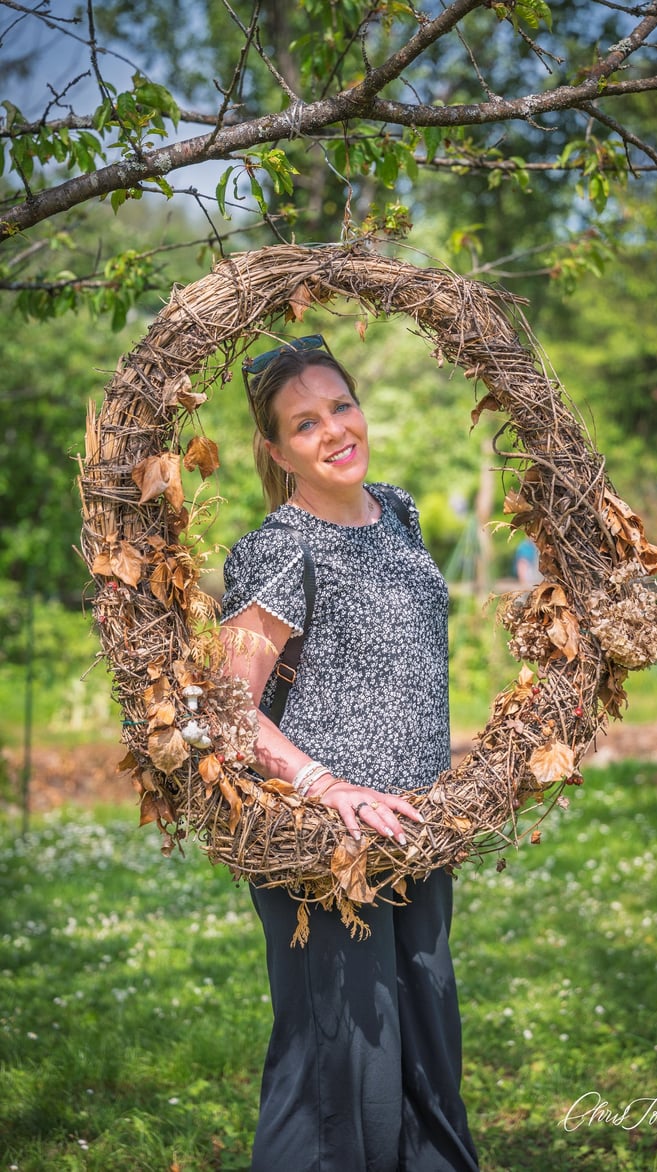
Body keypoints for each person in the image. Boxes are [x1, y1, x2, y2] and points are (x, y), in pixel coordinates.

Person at [220, 335, 479, 1172]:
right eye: (305, 423)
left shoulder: (398, 512)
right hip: (325, 850)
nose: (334, 430)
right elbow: (227, 711)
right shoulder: (280, 549)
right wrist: (328, 787)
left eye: (341, 406)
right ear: (276, 452)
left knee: (428, 1055)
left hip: (415, 831)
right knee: (340, 1079)